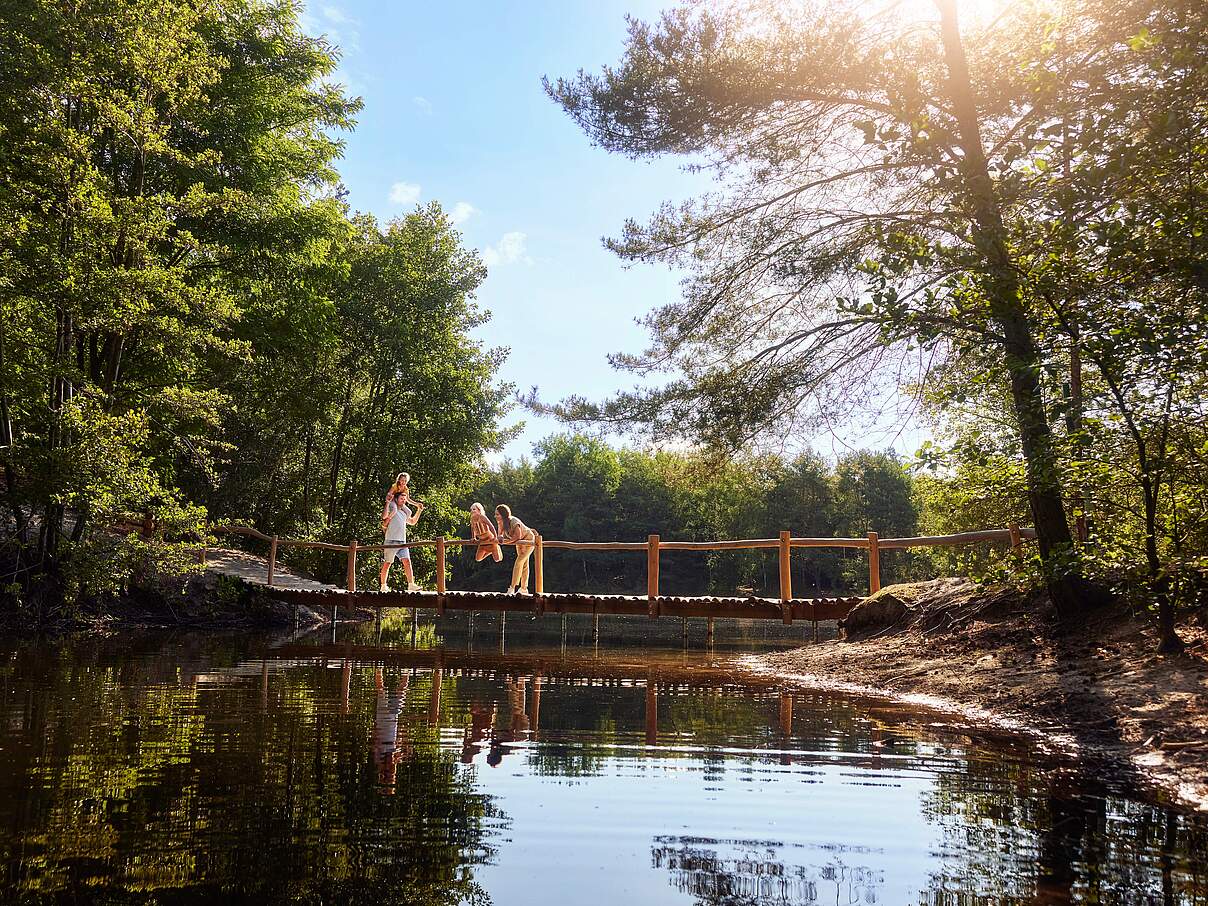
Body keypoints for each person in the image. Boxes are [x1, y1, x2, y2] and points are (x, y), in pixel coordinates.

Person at [380, 472, 425, 592]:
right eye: (401, 499)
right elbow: (384, 517)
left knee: (407, 561)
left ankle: (411, 584)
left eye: (404, 499)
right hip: (391, 540)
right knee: (387, 563)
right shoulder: (392, 502)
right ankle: (383, 585)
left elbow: (412, 521)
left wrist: (418, 509)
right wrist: (388, 502)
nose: (404, 500)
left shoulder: (405, 508)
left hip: (402, 541)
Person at [495, 504, 536, 595]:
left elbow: (518, 536)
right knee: (524, 564)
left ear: (503, 514)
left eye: (497, 514)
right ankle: (524, 588)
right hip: (519, 543)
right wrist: (500, 537)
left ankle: (512, 587)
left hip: (528, 541)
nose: (495, 516)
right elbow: (500, 534)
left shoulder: (513, 521)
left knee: (519, 562)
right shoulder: (501, 522)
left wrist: (506, 543)